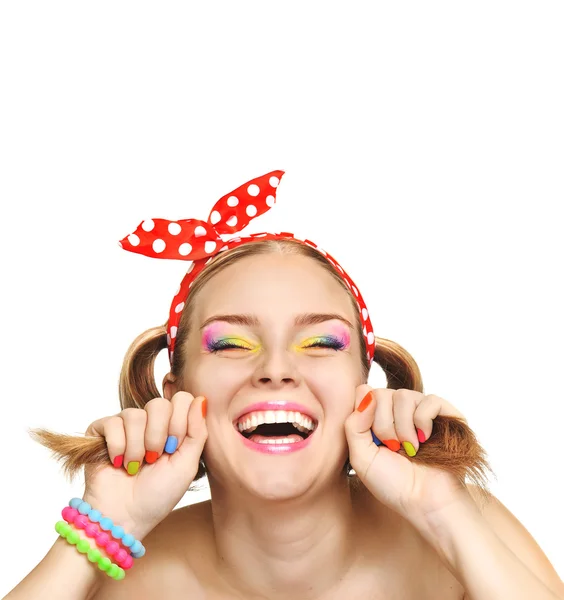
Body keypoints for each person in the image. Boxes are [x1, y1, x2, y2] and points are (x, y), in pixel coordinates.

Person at [5, 170, 564, 600]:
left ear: (363, 389)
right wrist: (107, 526)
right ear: (176, 394)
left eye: (321, 343)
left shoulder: (465, 526)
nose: (276, 369)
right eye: (231, 345)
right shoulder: (122, 576)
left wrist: (444, 514)